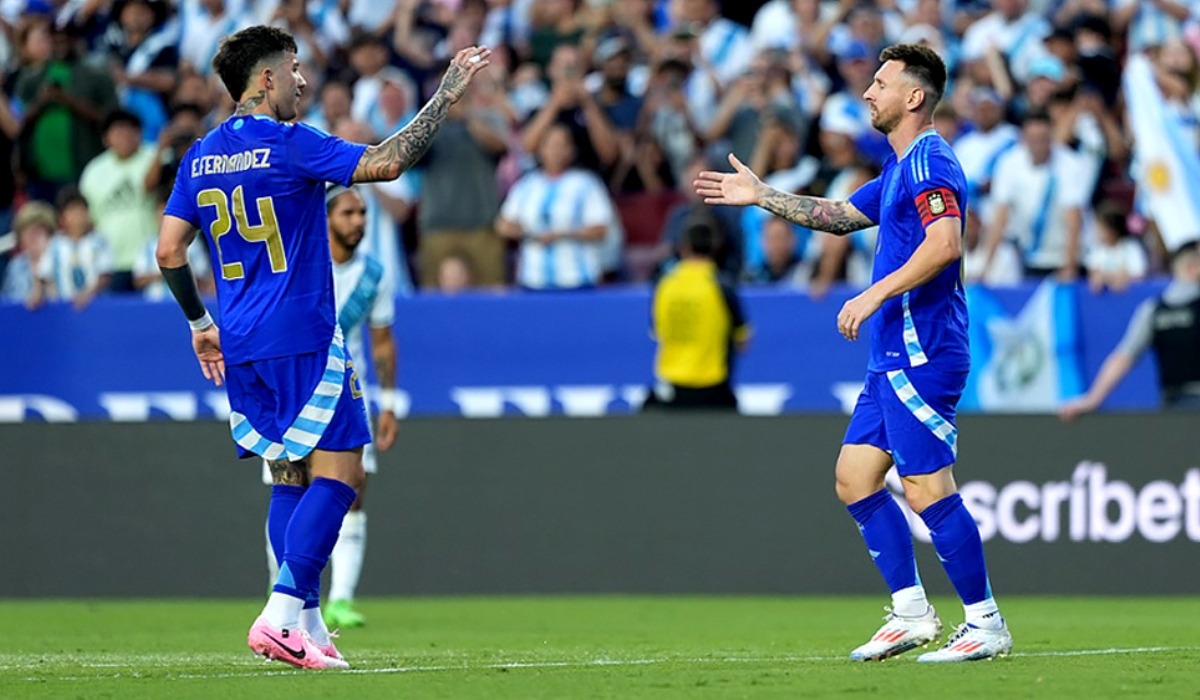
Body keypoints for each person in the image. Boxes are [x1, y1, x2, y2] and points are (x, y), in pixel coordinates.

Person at [155, 24, 488, 670]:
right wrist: (445, 95)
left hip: (243, 342)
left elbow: (169, 250)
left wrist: (199, 323)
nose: (305, 81)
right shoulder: (290, 143)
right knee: (343, 474)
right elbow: (385, 164)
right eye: (296, 68)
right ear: (267, 78)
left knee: (288, 475)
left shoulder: (200, 156)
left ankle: (307, 623)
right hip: (303, 334)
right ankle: (279, 615)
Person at [694, 43, 1013, 662]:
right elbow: (839, 216)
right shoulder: (897, 169)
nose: (868, 92)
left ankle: (985, 622)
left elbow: (945, 244)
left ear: (913, 97)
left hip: (925, 350)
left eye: (881, 82)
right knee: (855, 478)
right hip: (892, 354)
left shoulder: (931, 163)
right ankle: (912, 614)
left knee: (924, 487)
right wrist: (763, 196)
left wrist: (872, 295)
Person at [262, 185, 399, 631]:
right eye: (348, 212)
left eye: (362, 213)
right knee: (291, 487)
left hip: (346, 393)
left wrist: (390, 403)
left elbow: (382, 341)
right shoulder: (298, 264)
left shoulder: (374, 274)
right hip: (295, 388)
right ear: (325, 219)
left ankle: (339, 599)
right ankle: (283, 592)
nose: (358, 221)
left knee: (351, 493)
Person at [1060, 240, 1200, 418]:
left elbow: (1123, 356)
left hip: (1172, 408)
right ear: (1193, 266)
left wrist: (1093, 398)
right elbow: (1124, 357)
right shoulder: (1154, 310)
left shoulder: (1153, 310)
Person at [496, 123, 616, 290]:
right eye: (551, 145)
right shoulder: (527, 185)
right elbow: (503, 225)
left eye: (561, 145)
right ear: (541, 150)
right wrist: (529, 233)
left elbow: (600, 229)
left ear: (571, 150)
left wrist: (562, 234)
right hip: (533, 279)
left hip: (576, 279)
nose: (555, 151)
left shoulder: (586, 184)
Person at [644, 220, 749, 411]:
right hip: (712, 389)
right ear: (716, 247)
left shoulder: (664, 284)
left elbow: (657, 331)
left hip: (672, 387)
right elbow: (742, 340)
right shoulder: (721, 286)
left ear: (684, 247)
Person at [33, 187, 113, 310]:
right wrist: (37, 293)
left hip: (95, 306)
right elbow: (42, 274)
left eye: (81, 210)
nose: (78, 216)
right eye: (72, 211)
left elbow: (105, 275)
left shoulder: (99, 242)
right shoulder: (55, 245)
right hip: (64, 308)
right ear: (62, 217)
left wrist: (88, 294)